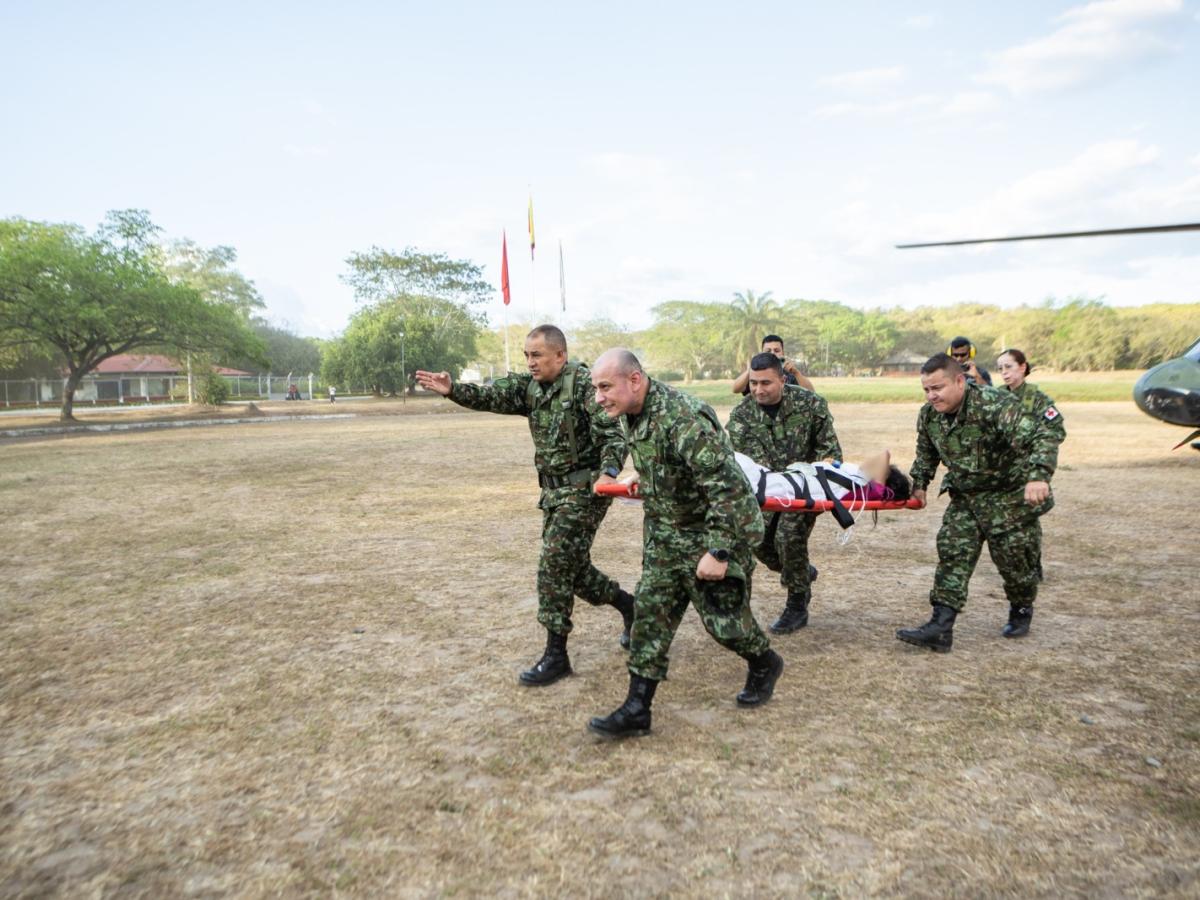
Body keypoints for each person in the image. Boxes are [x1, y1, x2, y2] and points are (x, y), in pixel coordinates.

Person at [414, 325, 634, 687]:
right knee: (574, 572)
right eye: (527, 356)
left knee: (553, 563)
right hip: (551, 493)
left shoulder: (583, 385)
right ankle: (630, 606)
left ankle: (556, 654)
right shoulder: (529, 386)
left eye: (537, 355)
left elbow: (613, 433)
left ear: (560, 356)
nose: (530, 363)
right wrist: (453, 390)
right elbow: (491, 396)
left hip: (585, 491)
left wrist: (608, 473)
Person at [586, 348, 783, 739]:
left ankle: (764, 661)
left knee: (724, 624)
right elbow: (669, 461)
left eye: (605, 387)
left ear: (635, 380)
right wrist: (648, 477)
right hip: (664, 535)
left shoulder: (683, 418)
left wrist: (719, 551)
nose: (599, 397)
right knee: (649, 615)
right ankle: (637, 709)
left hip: (709, 532)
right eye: (596, 388)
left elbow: (731, 491)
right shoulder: (631, 412)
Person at [896, 353, 1061, 652]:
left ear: (959, 381)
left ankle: (1021, 609)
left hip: (1009, 498)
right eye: (926, 390)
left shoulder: (995, 405)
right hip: (967, 496)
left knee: (1016, 564)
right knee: (953, 551)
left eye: (938, 388)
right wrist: (919, 484)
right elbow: (926, 452)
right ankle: (941, 626)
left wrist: (1038, 476)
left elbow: (1042, 434)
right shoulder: (929, 415)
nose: (932, 396)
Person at [727, 352, 841, 633]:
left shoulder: (810, 405)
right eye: (753, 383)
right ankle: (801, 571)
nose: (758, 390)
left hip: (803, 489)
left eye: (766, 383)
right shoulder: (741, 415)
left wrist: (822, 470)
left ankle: (797, 604)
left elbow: (831, 451)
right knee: (759, 542)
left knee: (788, 537)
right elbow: (739, 460)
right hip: (764, 491)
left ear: (782, 378)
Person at [996, 348, 1066, 582]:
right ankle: (1019, 568)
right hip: (1002, 473)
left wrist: (1038, 467)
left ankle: (1032, 566)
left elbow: (1055, 430)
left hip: (1028, 472)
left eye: (1009, 367)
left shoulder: (1037, 400)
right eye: (1000, 368)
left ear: (1023, 367)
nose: (1004, 373)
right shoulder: (996, 396)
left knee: (1026, 524)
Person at [734, 450, 912, 505]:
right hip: (765, 477)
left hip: (766, 485)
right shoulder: (859, 484)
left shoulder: (874, 492)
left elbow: (884, 455)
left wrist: (882, 473)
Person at [732, 334, 816, 395]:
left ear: (783, 352)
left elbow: (811, 393)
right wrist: (752, 369)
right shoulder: (756, 373)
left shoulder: (789, 372)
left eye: (776, 350)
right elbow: (736, 389)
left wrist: (796, 373)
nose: (772, 353)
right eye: (768, 351)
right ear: (762, 353)